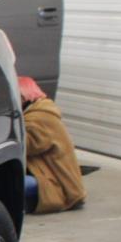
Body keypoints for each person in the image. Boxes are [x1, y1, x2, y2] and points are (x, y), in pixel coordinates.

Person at [19, 76, 86, 212]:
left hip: (59, 187)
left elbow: (25, 145)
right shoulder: (34, 114)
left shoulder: (42, 117)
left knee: (9, 185)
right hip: (45, 177)